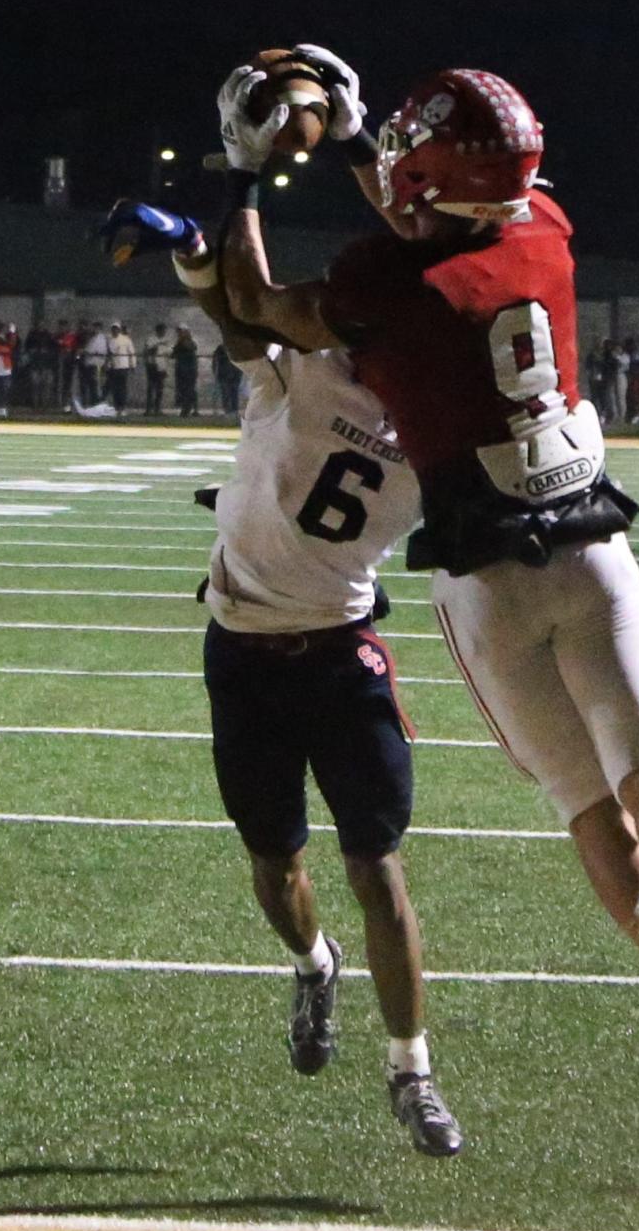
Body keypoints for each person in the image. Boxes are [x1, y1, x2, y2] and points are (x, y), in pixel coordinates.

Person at [210, 47, 639, 1112]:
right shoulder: (547, 232)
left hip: (487, 579)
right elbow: (446, 220)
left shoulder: (382, 284)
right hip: (593, 544)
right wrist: (362, 144)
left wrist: (245, 169)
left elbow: (260, 303)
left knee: (587, 806)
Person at [97, 196, 462, 1155]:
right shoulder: (310, 377)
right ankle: (312, 963)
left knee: (377, 869)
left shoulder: (436, 430)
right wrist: (196, 251)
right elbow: (243, 315)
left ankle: (412, 1070)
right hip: (244, 655)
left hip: (342, 655)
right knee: (274, 861)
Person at [107, 320, 136, 415]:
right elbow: (109, 354)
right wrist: (108, 365)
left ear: (119, 330)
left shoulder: (126, 339)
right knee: (115, 388)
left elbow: (132, 352)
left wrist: (133, 365)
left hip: (123, 366)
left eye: (116, 329)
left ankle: (122, 407)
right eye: (113, 329)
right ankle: (116, 407)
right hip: (113, 367)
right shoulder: (109, 340)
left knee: (122, 388)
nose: (115, 330)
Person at [172, 325, 199, 415]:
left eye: (181, 331)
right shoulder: (179, 343)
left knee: (189, 389)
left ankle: (190, 409)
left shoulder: (189, 342)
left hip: (189, 370)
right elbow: (173, 354)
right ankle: (186, 408)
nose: (179, 334)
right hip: (181, 370)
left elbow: (192, 347)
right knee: (183, 390)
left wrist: (181, 342)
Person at [144, 322, 168, 415]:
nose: (164, 332)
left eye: (164, 330)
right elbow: (148, 350)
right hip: (152, 365)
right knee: (151, 388)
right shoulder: (151, 339)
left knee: (160, 389)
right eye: (162, 330)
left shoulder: (166, 341)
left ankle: (157, 409)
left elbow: (168, 352)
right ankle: (148, 409)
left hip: (162, 367)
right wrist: (158, 344)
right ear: (158, 330)